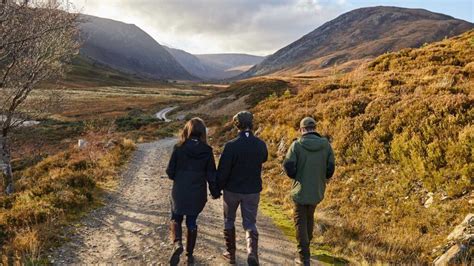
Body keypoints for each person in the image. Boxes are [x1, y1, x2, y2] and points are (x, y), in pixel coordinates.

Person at [166, 117, 221, 265]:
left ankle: (177, 243)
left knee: (176, 218)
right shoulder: (207, 151)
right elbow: (211, 175)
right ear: (203, 132)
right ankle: (189, 255)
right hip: (197, 192)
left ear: (187, 130)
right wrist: (215, 192)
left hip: (179, 191)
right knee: (192, 221)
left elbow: (170, 172)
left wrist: (179, 178)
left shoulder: (178, 148)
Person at [217, 111, 268, 266]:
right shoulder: (260, 144)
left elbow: (223, 171)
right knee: (250, 223)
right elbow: (264, 158)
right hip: (252, 190)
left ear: (236, 125)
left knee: (229, 220)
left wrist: (216, 188)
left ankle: (231, 255)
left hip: (232, 190)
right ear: (251, 124)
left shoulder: (230, 146)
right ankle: (251, 253)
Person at [283, 117, 335, 265]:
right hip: (317, 189)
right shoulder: (326, 145)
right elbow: (330, 169)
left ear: (302, 129)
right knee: (310, 216)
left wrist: (297, 175)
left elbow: (288, 167)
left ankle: (304, 257)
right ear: (315, 128)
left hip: (300, 189)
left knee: (300, 220)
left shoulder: (296, 145)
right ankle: (307, 248)